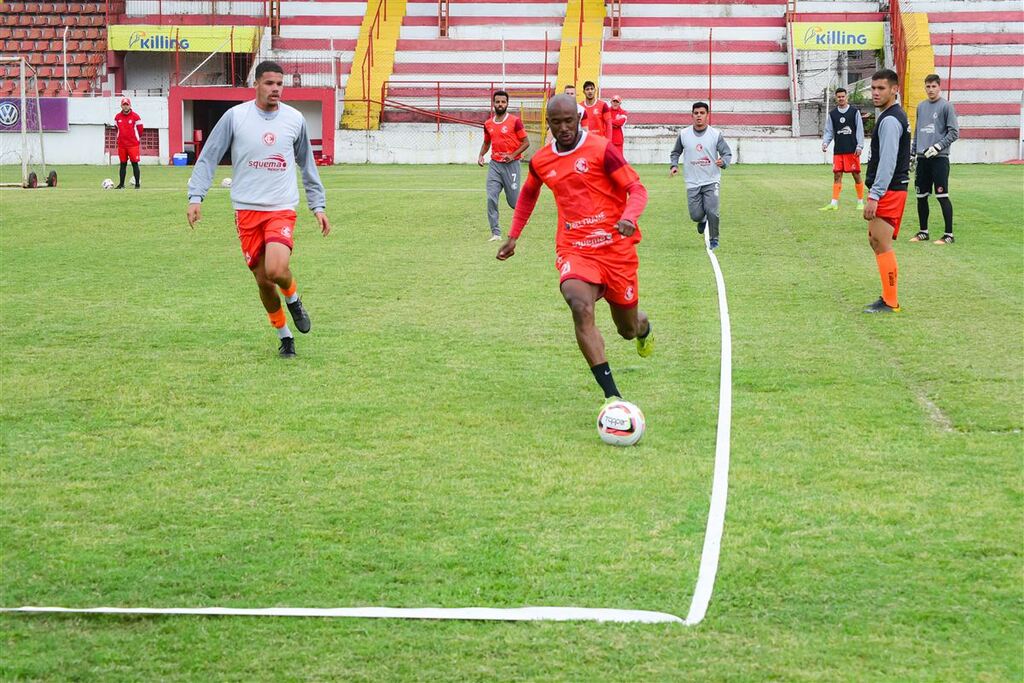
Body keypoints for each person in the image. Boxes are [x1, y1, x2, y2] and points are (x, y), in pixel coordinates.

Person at [496, 94, 653, 405]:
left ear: (579, 119)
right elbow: (528, 195)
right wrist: (513, 235)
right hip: (575, 248)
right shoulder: (542, 160)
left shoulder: (600, 149)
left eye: (569, 121)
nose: (564, 128)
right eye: (557, 123)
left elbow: (636, 189)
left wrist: (628, 217)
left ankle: (643, 327)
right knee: (579, 304)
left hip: (616, 249)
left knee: (627, 329)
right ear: (549, 124)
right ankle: (613, 398)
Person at [186, 60, 331, 357]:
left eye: (279, 83)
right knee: (264, 281)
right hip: (247, 209)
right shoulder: (235, 117)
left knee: (277, 269)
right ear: (257, 84)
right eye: (269, 83)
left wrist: (318, 205)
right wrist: (196, 196)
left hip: (281, 206)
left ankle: (293, 299)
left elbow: (307, 164)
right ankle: (285, 336)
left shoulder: (294, 119)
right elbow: (209, 156)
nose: (275, 89)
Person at [862, 68, 911, 314]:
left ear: (895, 89)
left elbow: (888, 161)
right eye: (873, 88)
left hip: (890, 190)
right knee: (875, 240)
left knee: (881, 242)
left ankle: (891, 301)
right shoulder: (891, 116)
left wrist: (874, 195)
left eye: (881, 88)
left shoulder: (891, 119)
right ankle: (887, 297)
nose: (875, 93)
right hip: (889, 189)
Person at [669, 101, 732, 251]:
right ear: (692, 115)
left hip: (711, 179)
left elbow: (727, 153)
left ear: (707, 115)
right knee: (696, 215)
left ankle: (714, 239)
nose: (699, 116)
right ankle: (701, 220)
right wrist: (674, 165)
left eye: (702, 113)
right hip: (692, 181)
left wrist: (723, 162)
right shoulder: (684, 134)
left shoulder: (715, 135)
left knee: (712, 210)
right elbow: (676, 152)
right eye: (696, 113)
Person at [910, 74, 960, 245]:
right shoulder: (921, 107)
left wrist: (938, 147)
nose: (930, 90)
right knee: (921, 196)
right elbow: (917, 132)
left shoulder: (946, 107)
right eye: (928, 86)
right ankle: (923, 231)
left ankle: (949, 235)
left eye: (933, 86)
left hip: (939, 159)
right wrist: (913, 153)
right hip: (923, 159)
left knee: (942, 195)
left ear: (939, 87)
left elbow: (954, 132)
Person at [478, 90, 530, 242]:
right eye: (498, 102)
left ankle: (524, 214)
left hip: (512, 165)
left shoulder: (515, 121)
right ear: (493, 104)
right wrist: (481, 155)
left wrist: (513, 155)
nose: (500, 104)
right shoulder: (488, 124)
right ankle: (496, 233)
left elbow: (526, 142)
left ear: (507, 104)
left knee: (513, 201)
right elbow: (487, 142)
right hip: (495, 165)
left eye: (503, 102)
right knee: (491, 198)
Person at [819, 87, 865, 211]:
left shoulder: (854, 112)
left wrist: (860, 146)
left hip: (852, 150)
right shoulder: (833, 114)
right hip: (839, 150)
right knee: (837, 175)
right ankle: (834, 203)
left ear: (846, 97)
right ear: (836, 98)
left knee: (856, 175)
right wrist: (825, 143)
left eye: (842, 96)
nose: (841, 98)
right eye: (838, 97)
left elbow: (860, 130)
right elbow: (829, 131)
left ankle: (860, 202)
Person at [113, 96, 143, 189]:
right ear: (121, 106)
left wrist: (135, 139)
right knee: (123, 164)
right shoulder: (117, 117)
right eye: (124, 105)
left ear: (130, 105)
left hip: (133, 145)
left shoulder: (136, 117)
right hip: (122, 145)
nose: (125, 107)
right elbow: (116, 129)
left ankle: (137, 184)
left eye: (127, 105)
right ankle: (121, 184)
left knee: (135, 164)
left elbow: (140, 130)